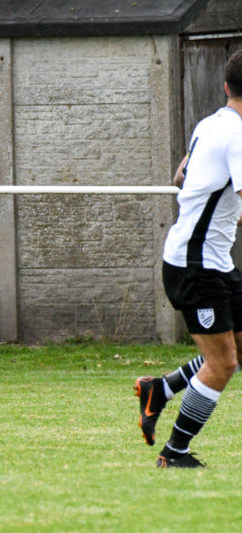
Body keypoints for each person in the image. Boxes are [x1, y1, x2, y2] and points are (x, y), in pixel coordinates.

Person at [135, 49, 242, 468]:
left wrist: (219, 211)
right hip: (194, 267)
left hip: (212, 261)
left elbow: (181, 176)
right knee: (223, 363)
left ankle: (159, 390)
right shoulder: (238, 135)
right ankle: (174, 452)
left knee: (236, 351)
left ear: (226, 86)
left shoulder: (210, 124)